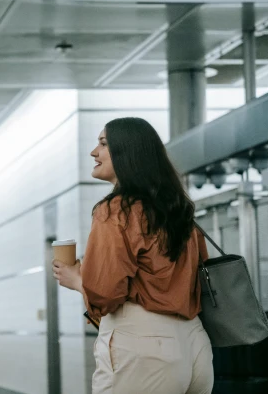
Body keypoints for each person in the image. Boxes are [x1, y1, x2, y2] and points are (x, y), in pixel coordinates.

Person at [53, 117, 213, 394]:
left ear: (128, 153)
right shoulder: (178, 210)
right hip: (195, 344)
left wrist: (77, 279)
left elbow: (104, 294)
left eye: (103, 144)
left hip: (144, 345)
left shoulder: (116, 210)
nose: (94, 152)